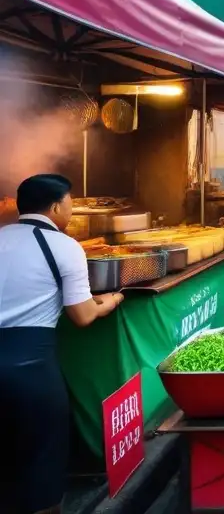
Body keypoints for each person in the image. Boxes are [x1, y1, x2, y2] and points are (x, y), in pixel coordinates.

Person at [0, 174, 124, 514]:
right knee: (42, 460)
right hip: (30, 368)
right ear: (56, 207)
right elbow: (82, 316)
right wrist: (110, 301)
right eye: (70, 201)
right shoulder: (64, 246)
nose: (71, 207)